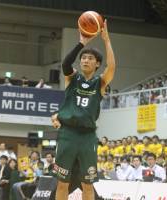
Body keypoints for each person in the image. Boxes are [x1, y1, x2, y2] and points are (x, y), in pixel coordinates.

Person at [51, 19, 115, 200]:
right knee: (62, 183)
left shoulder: (100, 83)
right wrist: (82, 43)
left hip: (87, 137)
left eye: (90, 58)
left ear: (97, 64)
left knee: (88, 185)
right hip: (68, 134)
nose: (85, 60)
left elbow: (111, 67)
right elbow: (65, 64)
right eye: (83, 58)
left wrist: (107, 40)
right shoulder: (72, 79)